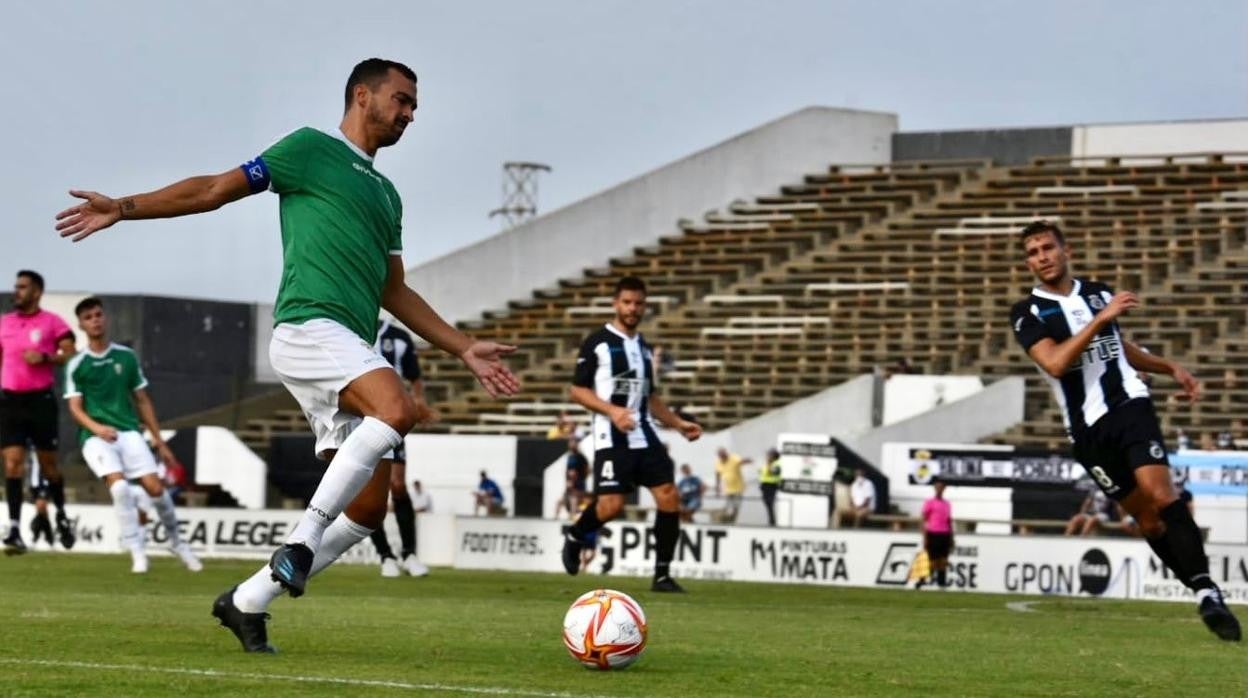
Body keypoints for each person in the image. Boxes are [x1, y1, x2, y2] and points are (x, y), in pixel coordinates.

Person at [56, 58, 520, 653]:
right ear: (362, 95)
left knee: (369, 511)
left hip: (349, 344)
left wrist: (463, 346)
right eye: (401, 100)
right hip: (308, 327)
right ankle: (300, 542)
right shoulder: (309, 149)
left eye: (414, 107)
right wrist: (123, 207)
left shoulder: (386, 194)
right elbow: (213, 190)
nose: (409, 114)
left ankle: (247, 601)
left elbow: (394, 290)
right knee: (397, 408)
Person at [1009, 219, 1239, 641]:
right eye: (1033, 253)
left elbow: (1119, 347)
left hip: (1129, 405)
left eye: (1048, 248)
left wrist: (1169, 367)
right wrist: (1101, 319)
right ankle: (1202, 590)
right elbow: (1056, 363)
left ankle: (1208, 592)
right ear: (1028, 263)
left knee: (1162, 496)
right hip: (1087, 433)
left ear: (1065, 250)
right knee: (1148, 522)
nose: (1041, 257)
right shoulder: (1027, 313)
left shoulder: (1098, 292)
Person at [560, 276, 702, 593]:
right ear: (616, 303)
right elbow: (577, 391)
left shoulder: (643, 347)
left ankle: (662, 576)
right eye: (627, 302)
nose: (632, 308)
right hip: (611, 436)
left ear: (644, 306)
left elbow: (649, 397)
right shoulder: (597, 342)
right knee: (612, 506)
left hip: (644, 434)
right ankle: (576, 534)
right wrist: (613, 411)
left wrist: (678, 423)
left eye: (638, 303)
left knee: (669, 496)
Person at [64, 297, 202, 574]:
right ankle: (137, 552)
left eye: (98, 315)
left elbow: (142, 400)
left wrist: (159, 441)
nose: (95, 320)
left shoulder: (126, 357)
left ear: (106, 319)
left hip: (128, 432)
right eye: (88, 317)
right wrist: (97, 428)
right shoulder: (77, 364)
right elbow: (75, 408)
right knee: (119, 488)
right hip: (95, 437)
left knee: (156, 490)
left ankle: (178, 543)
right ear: (81, 325)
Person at [0, 270, 77, 553]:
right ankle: (14, 529)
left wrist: (46, 357)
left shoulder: (52, 322)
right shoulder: (4, 323)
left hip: (40, 401)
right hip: (10, 401)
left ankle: (61, 516)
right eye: (16, 286)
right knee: (12, 464)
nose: (17, 291)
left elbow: (71, 353)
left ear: (37, 292)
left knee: (48, 466)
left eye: (23, 287)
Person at [370, 317, 436, 579]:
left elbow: (414, 377)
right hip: (359, 419)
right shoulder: (348, 330)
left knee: (397, 485)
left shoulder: (398, 337)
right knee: (371, 492)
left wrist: (419, 400)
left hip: (391, 418)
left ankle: (409, 554)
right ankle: (385, 556)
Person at [918, 480, 953, 589]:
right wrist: (925, 536)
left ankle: (941, 583)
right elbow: (924, 519)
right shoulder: (929, 502)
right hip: (933, 533)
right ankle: (922, 580)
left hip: (945, 533)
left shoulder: (947, 504)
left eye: (941, 487)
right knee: (931, 559)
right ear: (934, 488)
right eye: (937, 487)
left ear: (944, 489)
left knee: (943, 560)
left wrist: (951, 537)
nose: (939, 489)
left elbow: (949, 521)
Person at [714, 447, 750, 524]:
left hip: (738, 488)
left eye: (724, 455)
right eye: (721, 455)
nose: (722, 457)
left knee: (735, 506)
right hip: (728, 488)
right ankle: (726, 520)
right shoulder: (718, 462)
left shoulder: (733, 458)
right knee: (728, 505)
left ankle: (732, 520)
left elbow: (740, 461)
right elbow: (717, 474)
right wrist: (717, 487)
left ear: (726, 453)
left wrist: (746, 461)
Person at [556, 437, 589, 519]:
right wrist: (568, 481)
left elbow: (587, 470)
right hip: (570, 485)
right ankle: (556, 519)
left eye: (573, 442)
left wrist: (579, 478)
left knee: (574, 501)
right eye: (570, 442)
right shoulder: (570, 456)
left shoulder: (580, 457)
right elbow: (568, 471)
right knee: (560, 502)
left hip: (578, 486)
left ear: (577, 444)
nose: (571, 444)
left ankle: (572, 518)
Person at [759, 448, 782, 527]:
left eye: (769, 455)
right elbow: (763, 473)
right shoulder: (769, 463)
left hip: (771, 486)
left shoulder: (776, 464)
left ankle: (772, 522)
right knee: (767, 504)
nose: (767, 456)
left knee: (770, 503)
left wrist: (768, 464)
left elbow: (772, 473)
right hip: (765, 485)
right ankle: (771, 521)